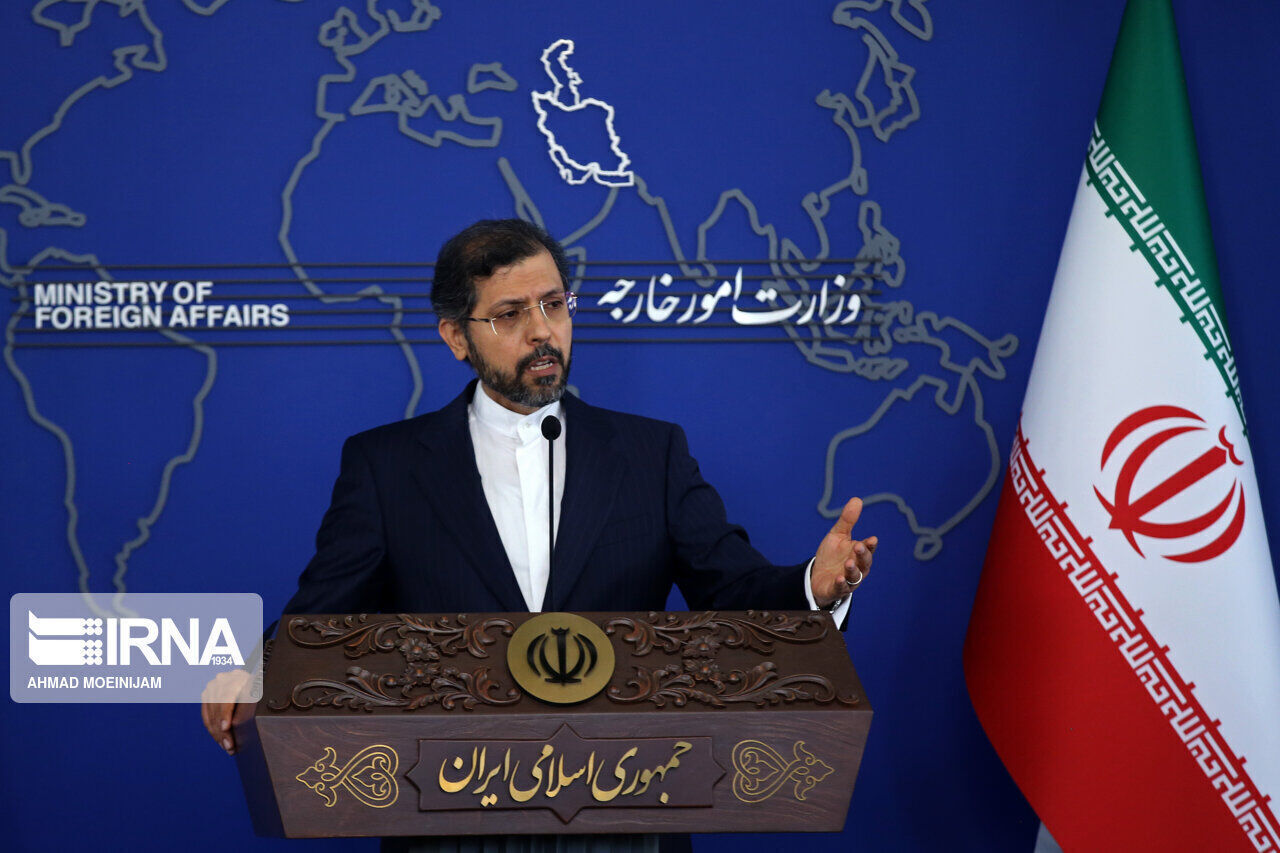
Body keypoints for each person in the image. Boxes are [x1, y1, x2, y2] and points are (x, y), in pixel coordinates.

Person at [201, 220, 877, 840]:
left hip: (628, 815)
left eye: (555, 304)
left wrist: (814, 588)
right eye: (510, 314)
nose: (542, 331)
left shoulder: (651, 454)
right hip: (451, 819)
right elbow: (323, 615)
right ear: (456, 336)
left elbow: (733, 593)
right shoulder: (387, 466)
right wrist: (257, 668)